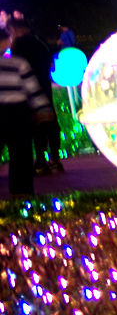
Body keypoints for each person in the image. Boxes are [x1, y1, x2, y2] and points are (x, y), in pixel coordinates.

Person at [0, 26, 52, 196]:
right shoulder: (18, 63)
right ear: (6, 42)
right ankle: (22, 195)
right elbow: (33, 88)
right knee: (21, 155)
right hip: (18, 113)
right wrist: (43, 109)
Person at [8, 17, 62, 172]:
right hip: (44, 89)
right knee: (50, 123)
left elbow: (16, 67)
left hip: (29, 91)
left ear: (16, 30)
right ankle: (55, 160)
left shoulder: (19, 45)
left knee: (35, 125)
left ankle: (40, 161)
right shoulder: (40, 43)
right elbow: (50, 64)